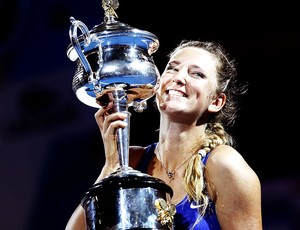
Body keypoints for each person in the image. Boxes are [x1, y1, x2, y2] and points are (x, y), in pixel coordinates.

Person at [65, 40, 262, 229]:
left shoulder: (223, 165)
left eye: (197, 74)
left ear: (216, 102)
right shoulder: (133, 161)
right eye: (172, 68)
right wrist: (112, 167)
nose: (178, 77)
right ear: (157, 85)